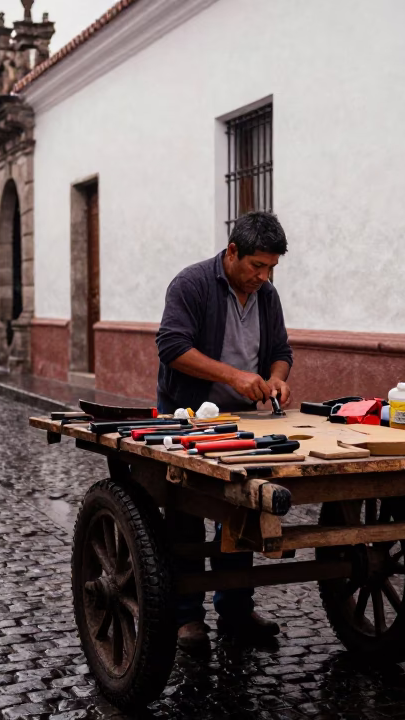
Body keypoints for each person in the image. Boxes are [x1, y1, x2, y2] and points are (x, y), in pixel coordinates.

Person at [154, 211, 293, 651]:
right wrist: (234, 377)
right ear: (232, 252)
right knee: (187, 516)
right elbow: (172, 347)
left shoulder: (266, 296)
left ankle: (235, 609)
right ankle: (187, 618)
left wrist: (277, 377)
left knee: (242, 513)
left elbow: (280, 350)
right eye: (256, 265)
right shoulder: (191, 284)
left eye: (270, 267)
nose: (263, 276)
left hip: (245, 423)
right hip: (188, 417)